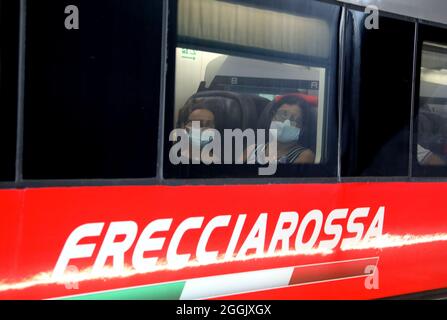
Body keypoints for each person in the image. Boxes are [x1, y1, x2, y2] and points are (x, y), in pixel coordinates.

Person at [245, 95, 315, 164]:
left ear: (303, 128)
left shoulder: (305, 155)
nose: (286, 123)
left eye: (294, 120)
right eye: (283, 115)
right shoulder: (252, 149)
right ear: (273, 116)